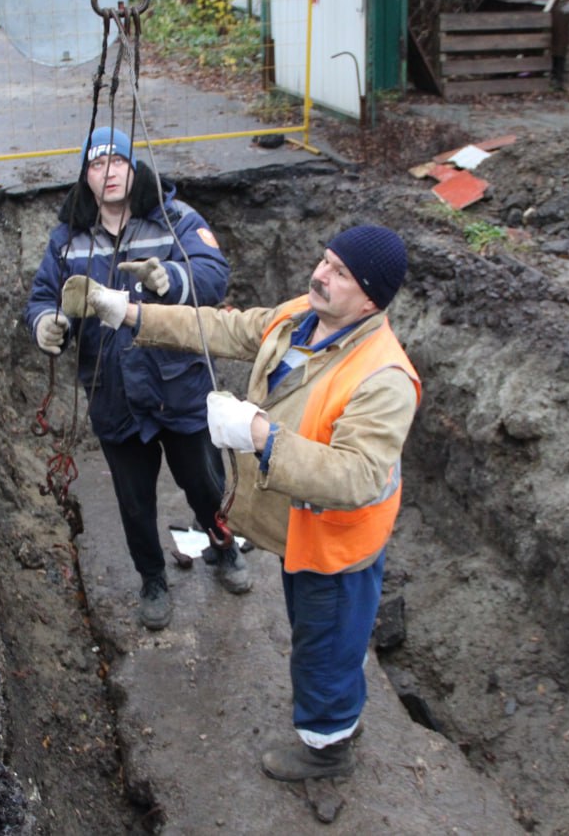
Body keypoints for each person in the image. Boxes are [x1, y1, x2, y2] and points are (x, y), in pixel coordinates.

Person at [66, 224, 420, 781]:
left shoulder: (383, 377)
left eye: (341, 273)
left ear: (372, 298)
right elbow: (224, 327)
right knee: (324, 634)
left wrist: (260, 434)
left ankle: (327, 750)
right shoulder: (305, 316)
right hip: (299, 524)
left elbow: (358, 476)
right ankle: (342, 720)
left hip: (335, 542)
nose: (321, 276)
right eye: (324, 261)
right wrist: (127, 312)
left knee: (322, 644)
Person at [24, 126, 252, 631]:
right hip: (115, 393)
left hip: (179, 385)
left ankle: (224, 546)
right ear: (86, 176)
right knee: (134, 501)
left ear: (134, 167)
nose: (108, 174)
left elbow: (214, 274)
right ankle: (152, 579)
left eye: (117, 163)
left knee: (206, 484)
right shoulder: (68, 238)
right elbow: (42, 295)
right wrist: (45, 323)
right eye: (96, 165)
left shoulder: (175, 219)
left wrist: (173, 280)